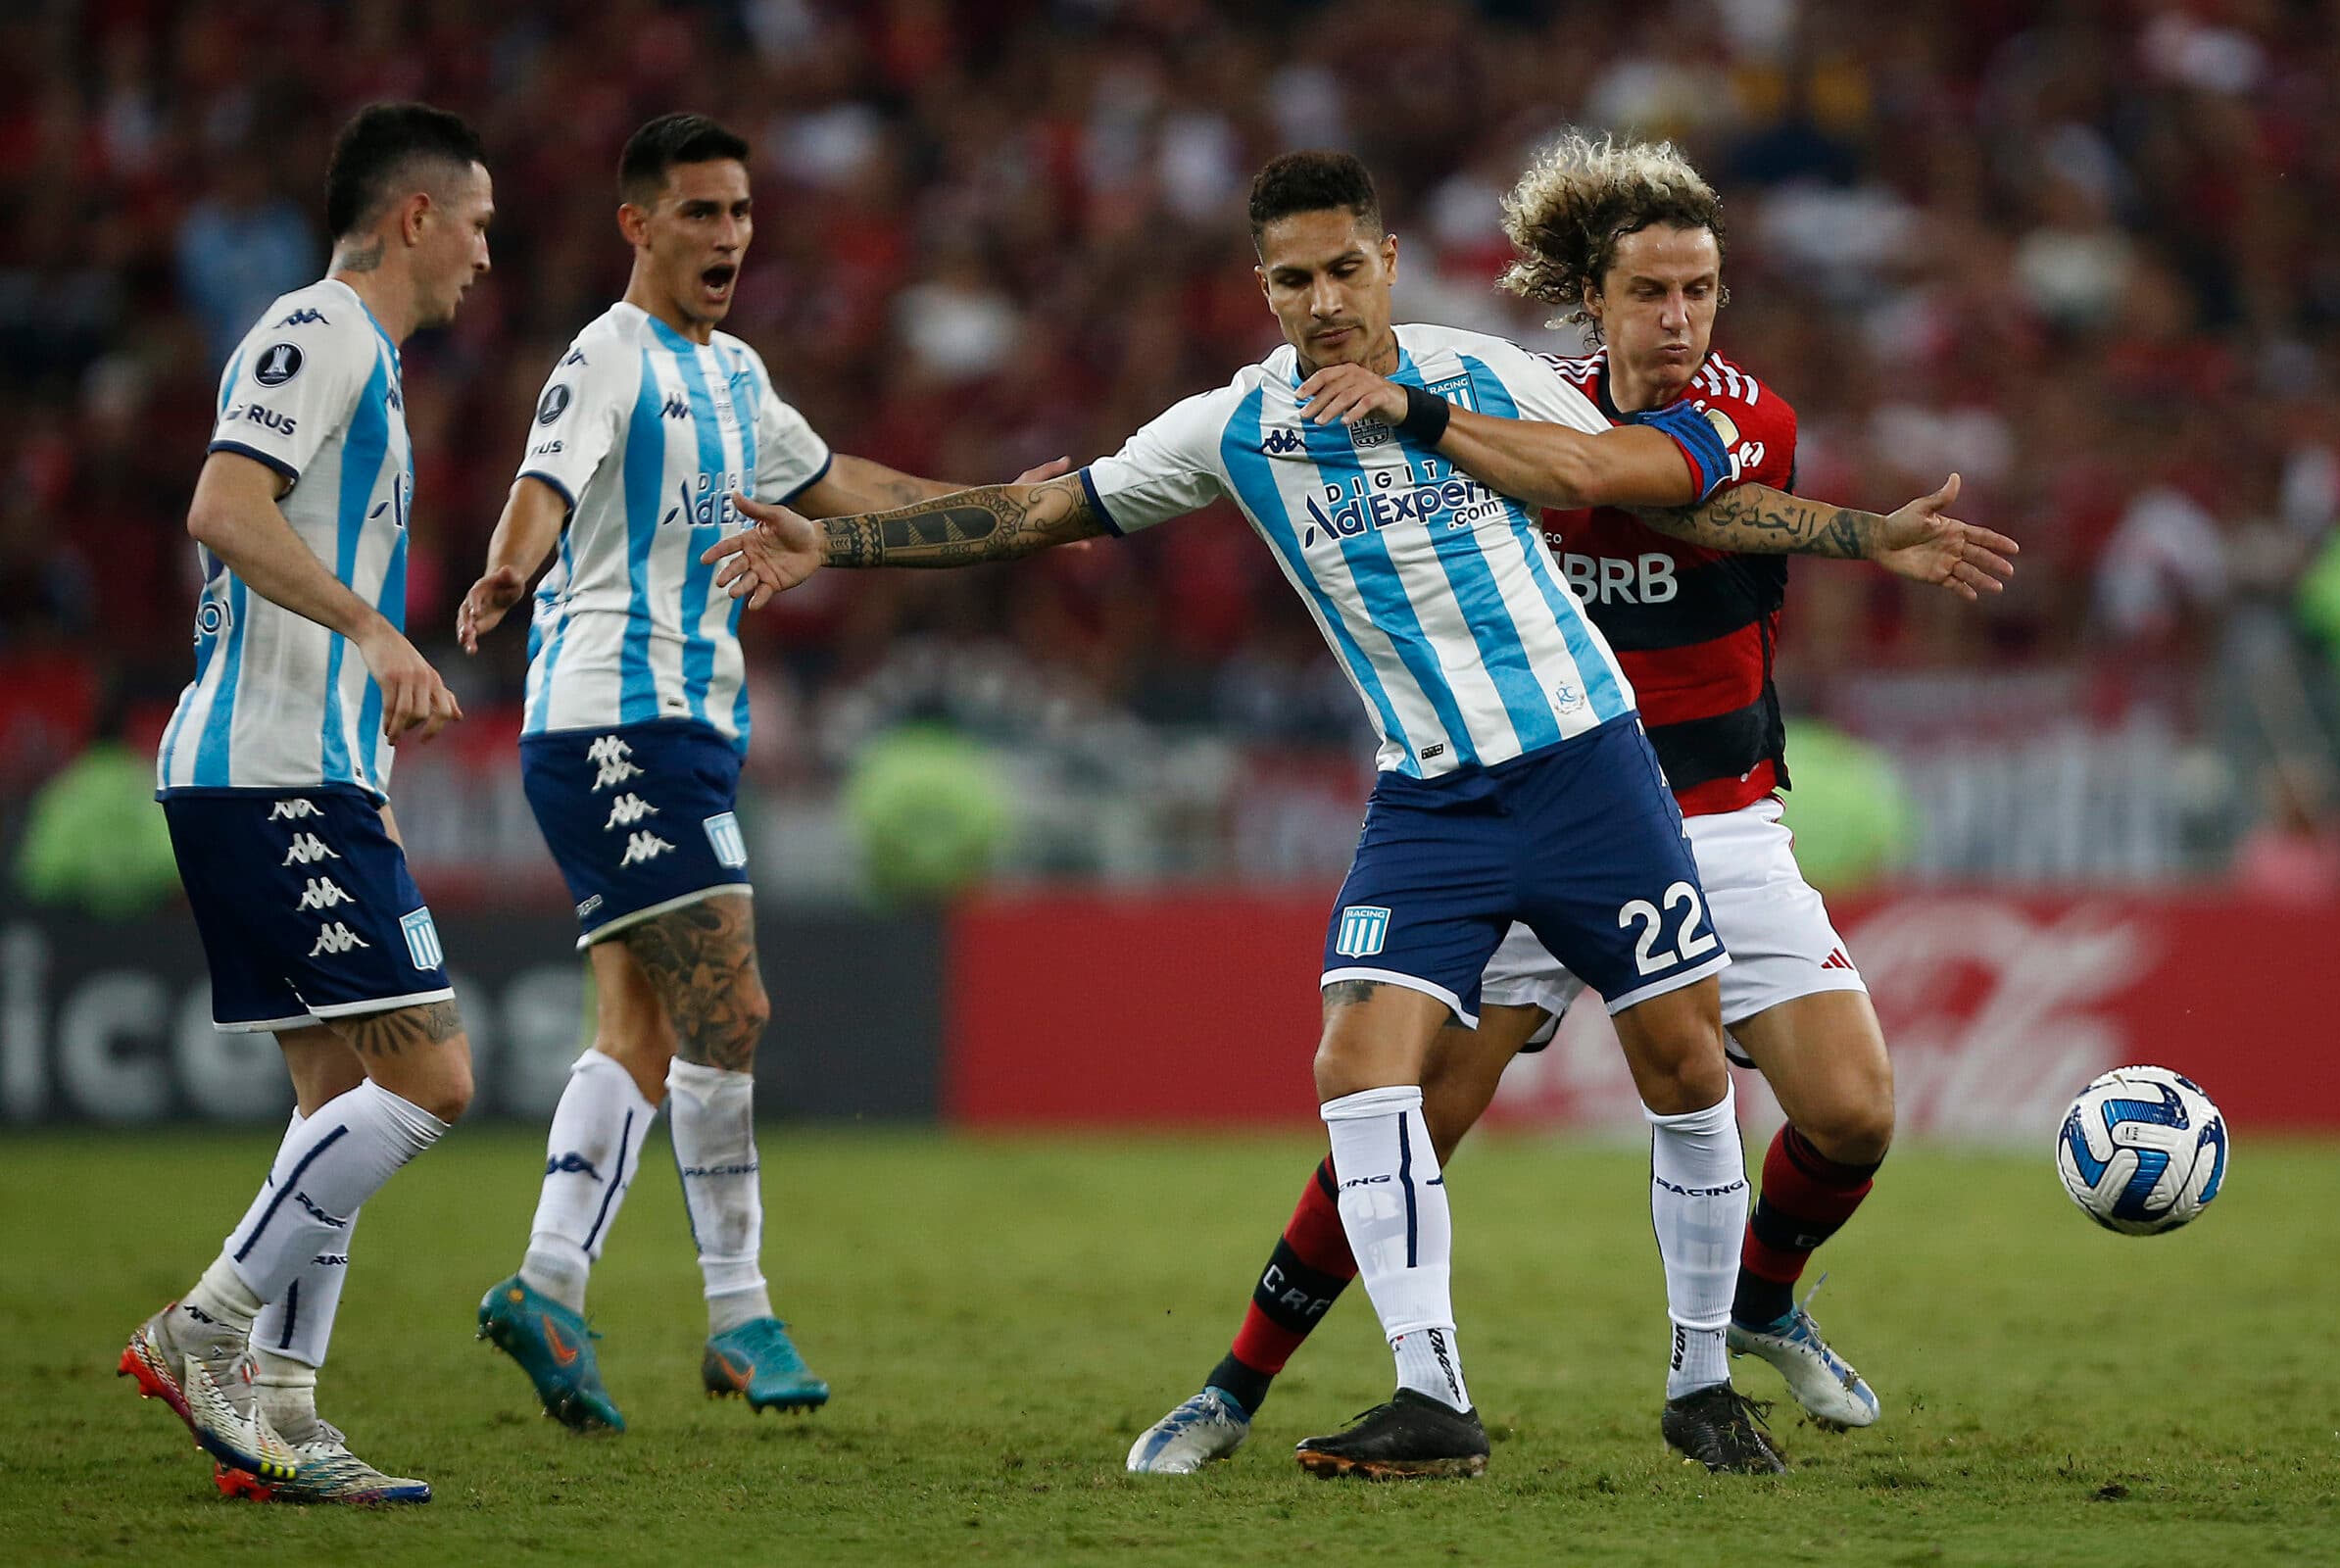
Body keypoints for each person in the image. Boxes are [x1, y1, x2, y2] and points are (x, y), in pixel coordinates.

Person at [703, 150, 2003, 1478]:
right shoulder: (1233, 429)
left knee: (1684, 1069)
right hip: (1435, 795)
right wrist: (840, 542)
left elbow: (1599, 469)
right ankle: (1428, 1396)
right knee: (1359, 1073)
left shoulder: (1482, 373)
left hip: (1592, 768)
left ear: (1385, 265)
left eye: (1343, 268)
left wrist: (1422, 414)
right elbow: (1050, 507)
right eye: (1293, 276)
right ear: (1259, 287)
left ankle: (1702, 1378)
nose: (1323, 297)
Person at [1124, 132, 2016, 1476]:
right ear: (1588, 304)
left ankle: (1757, 1305)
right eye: (1649, 294)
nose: (1679, 320)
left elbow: (1617, 485)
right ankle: (1235, 1386)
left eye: (1701, 291)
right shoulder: (1510, 403)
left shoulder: (1733, 416)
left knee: (1854, 1115)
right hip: (1525, 801)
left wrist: (1863, 533)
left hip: (1709, 818)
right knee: (1411, 1109)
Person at [457, 113, 1066, 1433]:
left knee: (644, 1021)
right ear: (639, 226)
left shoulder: (737, 375)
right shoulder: (609, 355)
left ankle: (552, 1282)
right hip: (609, 723)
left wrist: (1007, 515)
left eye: (739, 211)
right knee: (731, 1006)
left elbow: (845, 486)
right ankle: (738, 1313)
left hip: (686, 731)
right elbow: (543, 477)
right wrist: (513, 562)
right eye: (699, 213)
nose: (728, 234)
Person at [122, 102, 495, 1505]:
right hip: (265, 770)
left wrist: (372, 770)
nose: (482, 255)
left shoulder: (375, 368)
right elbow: (224, 507)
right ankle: (205, 1330)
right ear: (412, 217)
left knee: (334, 1099)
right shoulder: (321, 330)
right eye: (475, 224)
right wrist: (379, 634)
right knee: (431, 1080)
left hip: (306, 771)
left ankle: (279, 1416)